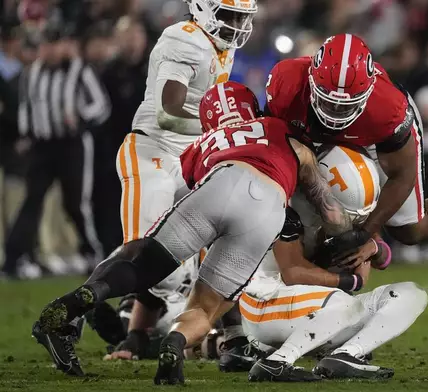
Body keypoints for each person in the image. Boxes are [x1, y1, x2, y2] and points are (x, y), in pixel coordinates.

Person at [32, 81, 356, 385]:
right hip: (267, 209)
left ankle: (83, 297)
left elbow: (190, 192)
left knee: (144, 264)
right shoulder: (279, 128)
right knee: (207, 305)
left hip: (215, 187)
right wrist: (352, 235)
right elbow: (328, 209)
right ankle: (176, 341)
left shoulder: (198, 144)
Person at [107, 0, 260, 372]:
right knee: (152, 256)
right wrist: (226, 129)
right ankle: (78, 307)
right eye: (229, 15)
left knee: (216, 233)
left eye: (242, 16)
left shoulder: (218, 45)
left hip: (188, 156)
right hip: (154, 151)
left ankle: (233, 337)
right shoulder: (184, 39)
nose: (238, 24)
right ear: (203, 9)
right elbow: (169, 112)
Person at [264, 34, 428, 265]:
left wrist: (364, 234)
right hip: (312, 135)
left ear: (366, 93)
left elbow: (402, 176)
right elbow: (274, 146)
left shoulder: (388, 109)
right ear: (311, 80)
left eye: (345, 105)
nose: (335, 113)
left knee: (409, 229)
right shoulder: (286, 82)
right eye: (328, 100)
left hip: (371, 137)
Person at [243, 145, 428, 382]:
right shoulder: (286, 208)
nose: (354, 222)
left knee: (411, 293)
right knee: (346, 303)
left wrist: (372, 248)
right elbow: (292, 273)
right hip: (265, 305)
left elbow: (382, 258)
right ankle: (277, 361)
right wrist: (351, 280)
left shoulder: (342, 208)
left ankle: (346, 355)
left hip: (318, 311)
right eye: (351, 215)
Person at [4, 21, 109, 278]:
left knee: (75, 203)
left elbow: (100, 105)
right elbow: (26, 108)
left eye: (55, 44)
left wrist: (80, 117)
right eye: (46, 44)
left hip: (72, 144)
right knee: (32, 200)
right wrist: (27, 133)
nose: (50, 50)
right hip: (42, 146)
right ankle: (16, 258)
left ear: (64, 45)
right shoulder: (33, 73)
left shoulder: (79, 70)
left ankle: (92, 253)